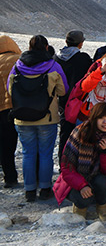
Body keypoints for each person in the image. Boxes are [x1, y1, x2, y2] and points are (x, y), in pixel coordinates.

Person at [7, 35, 68, 202]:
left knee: (28, 153)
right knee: (46, 154)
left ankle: (29, 190)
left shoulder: (17, 66)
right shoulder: (53, 66)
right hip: (47, 118)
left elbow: (10, 89)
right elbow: (63, 90)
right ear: (46, 47)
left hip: (22, 118)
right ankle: (45, 188)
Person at [53, 103, 106, 221]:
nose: (105, 122)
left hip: (94, 176)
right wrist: (82, 185)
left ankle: (102, 206)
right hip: (73, 180)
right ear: (94, 118)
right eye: (101, 118)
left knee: (104, 182)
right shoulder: (79, 133)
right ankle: (79, 208)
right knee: (83, 199)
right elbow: (66, 167)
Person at [53, 30, 92, 162]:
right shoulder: (84, 59)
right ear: (81, 43)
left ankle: (62, 161)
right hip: (79, 101)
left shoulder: (56, 58)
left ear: (66, 42)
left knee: (64, 133)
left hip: (62, 101)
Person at [0, 35, 22, 188]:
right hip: (19, 107)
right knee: (27, 145)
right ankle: (34, 179)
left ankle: (10, 177)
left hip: (1, 109)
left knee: (4, 145)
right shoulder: (20, 60)